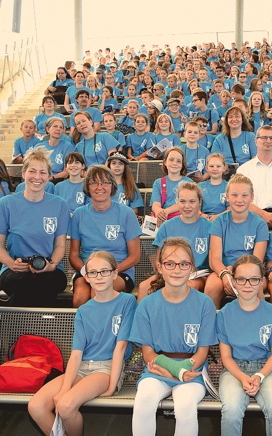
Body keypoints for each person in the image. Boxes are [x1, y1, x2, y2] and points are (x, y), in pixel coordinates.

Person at [28, 251, 137, 436]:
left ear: (115, 273)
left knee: (66, 405)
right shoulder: (83, 311)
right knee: (36, 406)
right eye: (93, 272)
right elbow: (77, 354)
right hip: (81, 367)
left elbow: (121, 347)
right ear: (86, 277)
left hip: (106, 368)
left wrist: (112, 386)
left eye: (104, 271)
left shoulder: (127, 302)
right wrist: (64, 388)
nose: (99, 276)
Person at [130, 238, 217, 436]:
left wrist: (181, 371)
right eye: (169, 263)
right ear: (159, 267)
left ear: (192, 268)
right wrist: (172, 371)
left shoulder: (204, 303)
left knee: (185, 405)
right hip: (157, 368)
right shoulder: (147, 304)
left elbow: (203, 351)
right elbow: (148, 353)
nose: (176, 270)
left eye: (184, 264)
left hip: (192, 369)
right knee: (143, 400)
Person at [217, 254, 272, 435]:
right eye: (241, 279)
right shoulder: (225, 313)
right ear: (233, 281)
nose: (247, 285)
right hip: (235, 369)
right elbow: (225, 356)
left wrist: (259, 376)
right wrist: (242, 377)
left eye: (254, 279)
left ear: (262, 281)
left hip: (265, 369)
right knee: (231, 410)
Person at [0, 147, 69, 307]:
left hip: (50, 268)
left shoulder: (60, 205)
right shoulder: (6, 204)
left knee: (45, 283)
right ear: (23, 174)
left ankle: (33, 330)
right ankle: (28, 330)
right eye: (32, 171)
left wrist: (51, 265)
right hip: (15, 268)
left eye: (43, 172)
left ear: (49, 176)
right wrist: (11, 263)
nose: (37, 177)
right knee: (24, 283)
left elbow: (59, 245)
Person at [69, 165, 141, 308]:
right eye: (94, 183)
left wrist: (110, 272)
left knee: (98, 293)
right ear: (87, 187)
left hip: (118, 271)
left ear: (112, 186)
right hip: (88, 271)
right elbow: (74, 255)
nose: (99, 187)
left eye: (105, 182)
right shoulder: (79, 214)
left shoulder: (126, 213)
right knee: (80, 298)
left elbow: (135, 256)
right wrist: (88, 272)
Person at [138, 182, 212, 300]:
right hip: (170, 273)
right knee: (143, 287)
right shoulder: (167, 226)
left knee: (187, 286)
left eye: (192, 201)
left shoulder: (209, 227)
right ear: (177, 202)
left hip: (197, 275)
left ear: (200, 202)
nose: (187, 206)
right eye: (182, 201)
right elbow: (159, 260)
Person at [206, 174, 269, 308]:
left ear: (252, 197)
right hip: (223, 270)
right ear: (227, 197)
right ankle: (211, 326)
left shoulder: (260, 224)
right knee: (212, 286)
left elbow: (256, 260)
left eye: (244, 195)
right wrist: (224, 274)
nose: (239, 200)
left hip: (251, 271)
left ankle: (262, 323)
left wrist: (237, 272)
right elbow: (215, 259)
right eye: (234, 195)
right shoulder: (219, 222)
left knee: (256, 287)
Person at [150, 147, 192, 227]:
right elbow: (155, 204)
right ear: (165, 162)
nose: (174, 163)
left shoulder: (189, 183)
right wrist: (159, 212)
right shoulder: (158, 183)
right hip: (163, 218)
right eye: (171, 160)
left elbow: (186, 204)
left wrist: (166, 211)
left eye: (178, 161)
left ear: (182, 164)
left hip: (183, 219)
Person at [199, 153, 229, 220]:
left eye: (218, 166)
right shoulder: (200, 186)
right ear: (206, 168)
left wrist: (218, 217)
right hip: (204, 220)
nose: (215, 169)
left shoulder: (229, 187)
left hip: (222, 220)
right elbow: (195, 207)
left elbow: (230, 209)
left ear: (224, 168)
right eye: (211, 166)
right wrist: (201, 214)